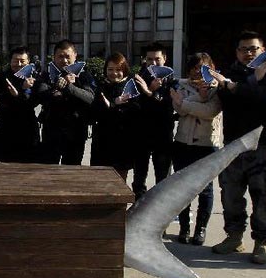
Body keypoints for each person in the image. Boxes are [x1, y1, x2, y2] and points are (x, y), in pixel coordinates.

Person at [208, 30, 266, 264]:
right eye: (244, 49)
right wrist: (246, 85)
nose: (248, 53)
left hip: (260, 146)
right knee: (231, 195)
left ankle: (262, 241)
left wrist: (238, 88)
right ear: (237, 52)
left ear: (263, 50)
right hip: (233, 146)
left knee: (262, 197)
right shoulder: (228, 74)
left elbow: (264, 98)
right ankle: (234, 237)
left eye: (253, 49)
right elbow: (227, 99)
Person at [169, 53, 222, 245]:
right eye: (194, 67)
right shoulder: (181, 85)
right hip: (183, 143)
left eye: (202, 67)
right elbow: (179, 110)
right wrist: (199, 99)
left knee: (205, 190)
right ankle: (184, 227)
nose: (197, 71)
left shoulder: (217, 86)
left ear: (211, 68)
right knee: (183, 189)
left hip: (207, 144)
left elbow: (210, 111)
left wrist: (187, 102)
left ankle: (201, 229)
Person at [36, 40, 94, 165]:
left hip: (76, 131)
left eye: (68, 56)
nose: (64, 60)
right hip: (51, 131)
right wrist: (56, 88)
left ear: (75, 55)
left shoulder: (84, 75)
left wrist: (70, 87)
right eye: (60, 56)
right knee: (48, 170)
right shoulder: (47, 74)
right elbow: (41, 95)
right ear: (54, 57)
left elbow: (90, 98)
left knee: (72, 172)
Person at [131, 43, 176, 201]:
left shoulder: (172, 80)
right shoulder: (137, 78)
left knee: (163, 179)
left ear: (165, 59)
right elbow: (133, 105)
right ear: (144, 60)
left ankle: (159, 217)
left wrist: (150, 92)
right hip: (141, 135)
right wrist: (147, 90)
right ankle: (139, 210)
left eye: (157, 59)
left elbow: (169, 107)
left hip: (163, 135)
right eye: (149, 59)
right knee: (139, 179)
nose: (154, 63)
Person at [90, 52, 140, 181]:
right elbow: (95, 113)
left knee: (120, 182)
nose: (114, 73)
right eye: (110, 69)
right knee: (99, 181)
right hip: (102, 142)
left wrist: (111, 105)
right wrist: (114, 104)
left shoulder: (131, 87)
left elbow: (133, 113)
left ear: (125, 70)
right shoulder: (101, 87)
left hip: (122, 142)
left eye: (118, 69)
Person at [0, 46, 40, 163]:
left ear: (28, 62)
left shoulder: (34, 77)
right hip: (6, 127)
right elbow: (0, 98)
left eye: (22, 61)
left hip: (28, 128)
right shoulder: (3, 76)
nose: (18, 64)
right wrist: (20, 90)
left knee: (28, 167)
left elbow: (34, 102)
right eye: (15, 60)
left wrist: (20, 93)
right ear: (10, 61)